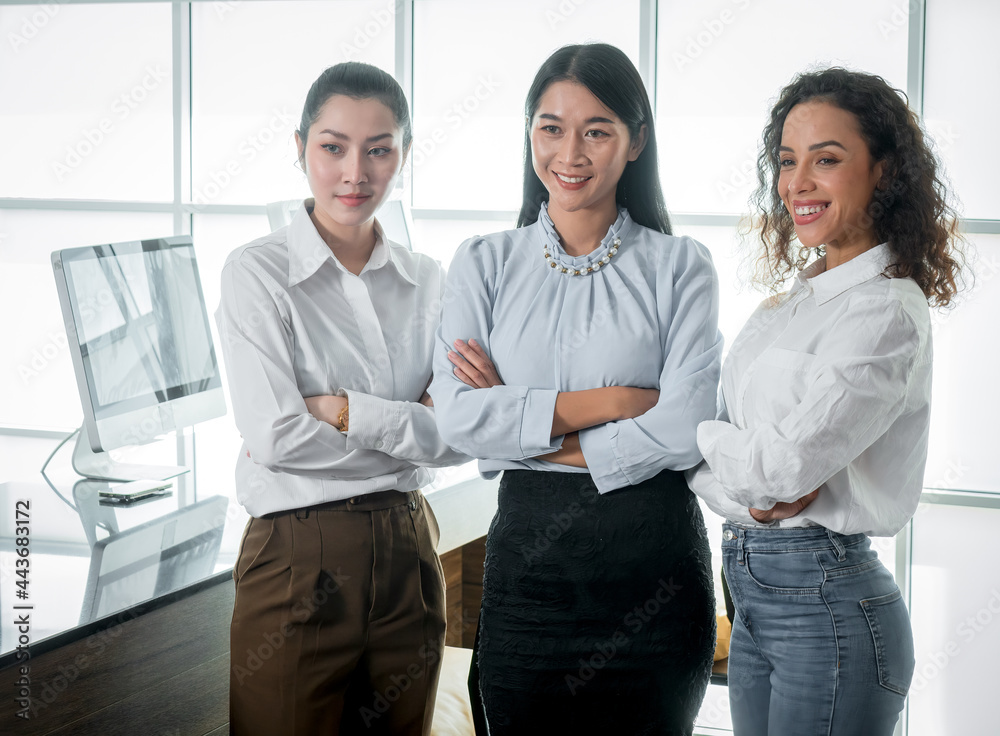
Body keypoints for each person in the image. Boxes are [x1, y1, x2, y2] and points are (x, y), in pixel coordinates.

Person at [429, 43, 723, 735]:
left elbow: (686, 427)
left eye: (598, 130)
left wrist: (525, 437)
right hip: (529, 584)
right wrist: (620, 404)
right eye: (551, 127)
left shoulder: (682, 267)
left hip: (655, 581)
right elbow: (459, 419)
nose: (571, 151)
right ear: (530, 133)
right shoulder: (483, 262)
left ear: (636, 141)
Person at [686, 67, 965, 736]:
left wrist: (700, 437)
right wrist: (730, 465)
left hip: (830, 611)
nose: (797, 183)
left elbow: (776, 470)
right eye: (787, 162)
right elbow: (743, 478)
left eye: (827, 159)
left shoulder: (887, 312)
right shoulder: (786, 306)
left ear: (884, 172)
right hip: (750, 602)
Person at [215, 62, 467, 736]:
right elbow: (275, 436)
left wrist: (341, 411)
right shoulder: (257, 274)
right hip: (299, 557)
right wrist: (407, 424)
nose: (355, 172)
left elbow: (459, 432)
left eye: (379, 149)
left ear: (403, 156)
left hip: (411, 548)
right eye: (333, 147)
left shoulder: (430, 282)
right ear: (299, 148)